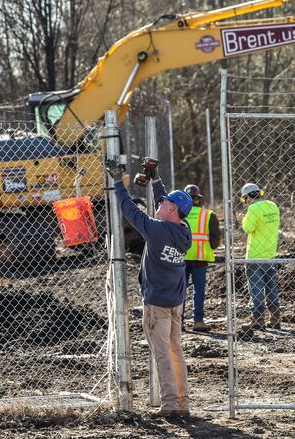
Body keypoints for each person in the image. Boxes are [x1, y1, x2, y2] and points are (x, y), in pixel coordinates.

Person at [106, 157, 193, 418]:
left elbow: (129, 210)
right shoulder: (183, 230)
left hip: (158, 305)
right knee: (175, 351)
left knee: (163, 354)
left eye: (165, 202)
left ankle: (169, 406)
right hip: (176, 302)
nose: (161, 202)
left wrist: (117, 182)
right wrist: (155, 179)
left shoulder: (156, 231)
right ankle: (182, 403)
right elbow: (164, 204)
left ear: (171, 210)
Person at [238, 182, 282, 333]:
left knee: (256, 289)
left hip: (255, 256)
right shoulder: (273, 206)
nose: (246, 202)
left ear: (248, 197)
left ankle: (258, 319)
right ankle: (275, 318)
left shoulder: (253, 208)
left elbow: (247, 228)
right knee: (271, 288)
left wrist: (243, 218)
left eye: (245, 199)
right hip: (271, 254)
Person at [183, 184, 221, 332]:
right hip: (199, 258)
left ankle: (177, 322)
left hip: (181, 258)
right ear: (198, 199)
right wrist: (210, 247)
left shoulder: (179, 214)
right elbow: (215, 240)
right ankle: (198, 321)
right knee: (199, 290)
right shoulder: (208, 215)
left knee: (180, 290)